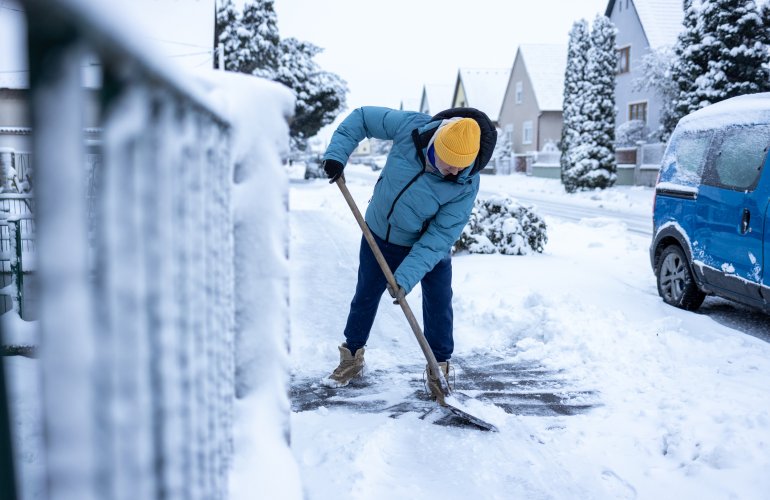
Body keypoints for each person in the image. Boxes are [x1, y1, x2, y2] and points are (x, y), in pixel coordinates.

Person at [320, 106, 496, 402]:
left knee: (439, 303)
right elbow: (362, 118)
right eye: (449, 163)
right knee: (365, 294)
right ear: (435, 143)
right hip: (378, 231)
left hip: (427, 245)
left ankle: (438, 369)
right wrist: (338, 154)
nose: (453, 172)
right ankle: (351, 358)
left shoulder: (466, 183)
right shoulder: (411, 127)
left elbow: (439, 237)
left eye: (460, 167)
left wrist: (406, 277)